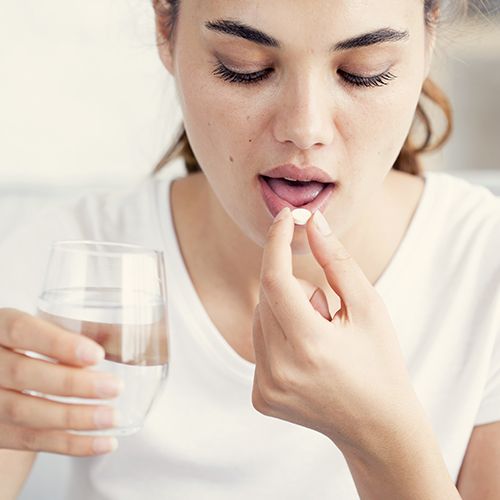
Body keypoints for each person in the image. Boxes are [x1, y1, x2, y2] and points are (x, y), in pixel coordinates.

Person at [0, 0, 499, 498]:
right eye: (245, 68)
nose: (306, 130)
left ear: (429, 38)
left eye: (362, 73)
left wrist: (382, 440)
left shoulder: (485, 264)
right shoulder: (65, 267)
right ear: (164, 30)